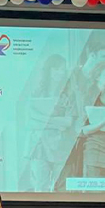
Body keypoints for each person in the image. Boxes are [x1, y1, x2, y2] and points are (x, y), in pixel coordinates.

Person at [28, 55, 77, 192]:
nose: (60, 72)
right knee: (40, 187)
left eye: (63, 69)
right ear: (49, 70)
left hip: (61, 145)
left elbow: (68, 122)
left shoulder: (69, 93)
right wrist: (56, 122)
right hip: (39, 146)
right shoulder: (37, 92)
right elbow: (31, 122)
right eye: (57, 69)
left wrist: (43, 120)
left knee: (61, 188)